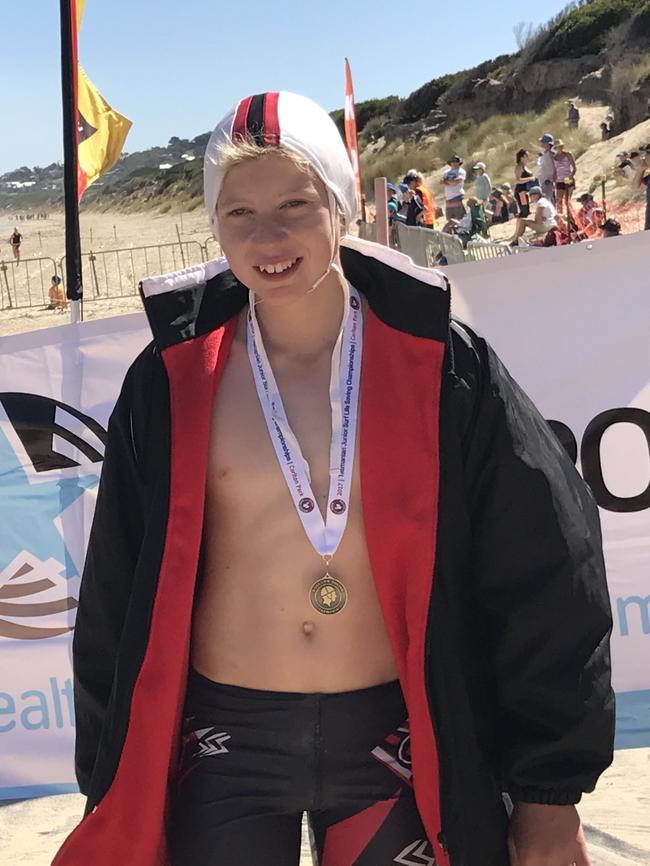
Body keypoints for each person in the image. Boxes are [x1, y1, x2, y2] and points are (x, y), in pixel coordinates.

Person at [55, 91, 614, 866]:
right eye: (239, 213)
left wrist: (550, 800)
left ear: (343, 207)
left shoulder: (441, 367)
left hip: (390, 739)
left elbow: (548, 571)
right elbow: (117, 592)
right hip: (225, 743)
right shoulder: (174, 379)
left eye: (296, 203)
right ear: (215, 227)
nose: (269, 236)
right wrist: (106, 776)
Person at [553, 140, 577, 212]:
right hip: (559, 180)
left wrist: (571, 176)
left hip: (568, 179)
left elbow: (574, 168)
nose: (559, 148)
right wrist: (554, 181)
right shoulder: (554, 158)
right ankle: (561, 218)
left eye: (560, 146)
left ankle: (571, 217)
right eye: (558, 147)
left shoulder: (568, 155)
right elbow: (555, 171)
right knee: (559, 201)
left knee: (567, 201)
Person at [441, 155, 466, 221]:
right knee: (450, 219)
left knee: (460, 218)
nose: (454, 163)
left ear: (459, 162)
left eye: (456, 161)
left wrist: (447, 182)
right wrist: (450, 182)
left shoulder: (461, 171)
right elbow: (441, 182)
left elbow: (456, 182)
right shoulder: (446, 172)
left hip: (457, 196)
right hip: (448, 197)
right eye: (453, 161)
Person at [514, 148, 536, 218]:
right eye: (526, 155)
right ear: (521, 157)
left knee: (527, 209)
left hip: (525, 190)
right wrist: (530, 178)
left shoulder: (524, 166)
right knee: (524, 210)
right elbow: (518, 180)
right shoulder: (519, 167)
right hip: (521, 191)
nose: (528, 157)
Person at [537, 134, 557, 204]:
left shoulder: (551, 154)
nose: (541, 143)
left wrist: (553, 178)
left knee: (549, 199)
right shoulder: (547, 153)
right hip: (545, 179)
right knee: (548, 198)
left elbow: (555, 166)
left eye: (543, 142)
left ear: (547, 144)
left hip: (548, 180)